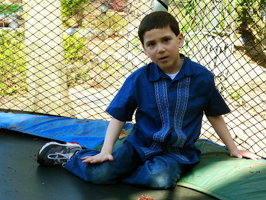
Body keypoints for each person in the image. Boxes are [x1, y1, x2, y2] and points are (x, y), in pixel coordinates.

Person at [37, 11, 261, 189]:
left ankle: (128, 172)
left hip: (177, 152)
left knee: (159, 180)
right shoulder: (139, 79)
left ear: (180, 39)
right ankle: (71, 155)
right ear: (145, 49)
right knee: (101, 173)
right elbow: (119, 116)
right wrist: (106, 151)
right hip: (140, 144)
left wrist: (232, 148)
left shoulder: (201, 77)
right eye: (151, 44)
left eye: (166, 40)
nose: (160, 49)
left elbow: (214, 113)